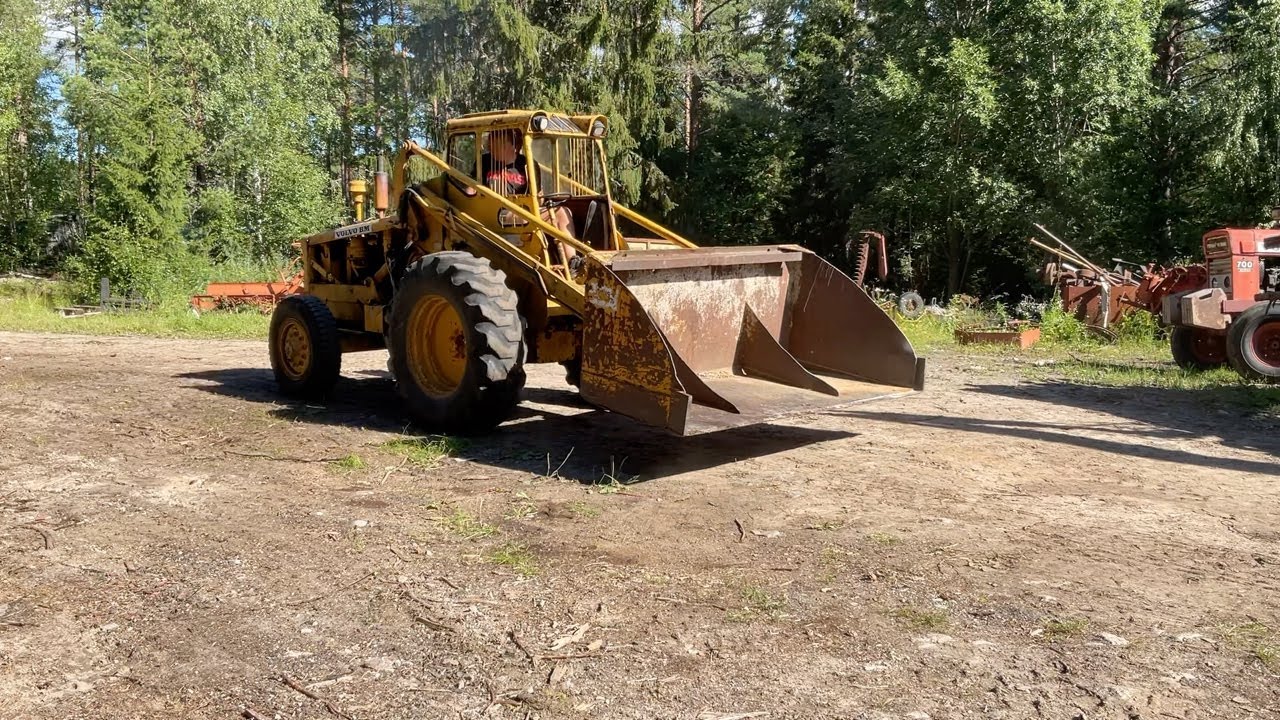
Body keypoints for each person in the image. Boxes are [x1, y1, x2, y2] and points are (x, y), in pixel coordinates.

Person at [481, 131, 578, 266]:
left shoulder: (528, 165)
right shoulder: (484, 162)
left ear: (510, 145)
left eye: (495, 143)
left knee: (562, 212)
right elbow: (470, 188)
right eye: (489, 144)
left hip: (525, 211)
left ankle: (573, 263)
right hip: (498, 214)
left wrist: (536, 201)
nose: (490, 147)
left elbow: (539, 199)